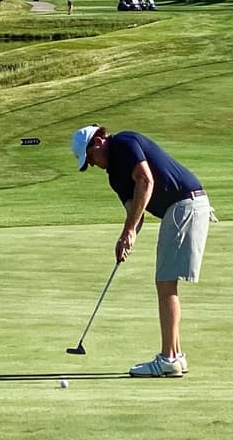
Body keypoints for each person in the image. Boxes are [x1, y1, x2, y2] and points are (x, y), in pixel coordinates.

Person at [71, 124, 216, 377]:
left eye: (90, 158)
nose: (92, 164)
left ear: (97, 142)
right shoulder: (114, 177)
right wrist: (127, 237)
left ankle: (168, 358)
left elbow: (145, 180)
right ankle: (177, 356)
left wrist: (128, 231)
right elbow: (135, 215)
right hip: (179, 207)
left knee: (165, 283)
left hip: (184, 203)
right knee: (166, 282)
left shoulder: (124, 143)